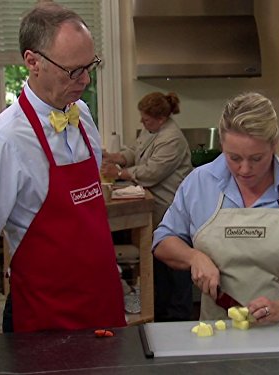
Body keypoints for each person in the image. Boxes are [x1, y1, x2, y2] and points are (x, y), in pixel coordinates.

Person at [0, 2, 126, 356]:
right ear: (32, 62)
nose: (85, 80)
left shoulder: (81, 114)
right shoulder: (4, 140)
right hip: (46, 323)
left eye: (90, 67)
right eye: (73, 71)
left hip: (104, 311)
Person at [153, 92, 279, 322]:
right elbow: (163, 240)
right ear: (221, 143)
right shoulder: (199, 183)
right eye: (234, 157)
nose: (244, 169)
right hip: (218, 334)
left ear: (275, 145)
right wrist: (194, 257)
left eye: (257, 158)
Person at [100, 92, 194, 322]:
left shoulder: (172, 138)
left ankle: (180, 315)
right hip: (156, 205)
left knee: (176, 263)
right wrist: (116, 157)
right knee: (158, 261)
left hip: (171, 206)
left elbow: (152, 172)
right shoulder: (151, 130)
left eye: (147, 120)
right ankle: (160, 309)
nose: (142, 123)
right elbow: (136, 151)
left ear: (161, 119)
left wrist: (120, 173)